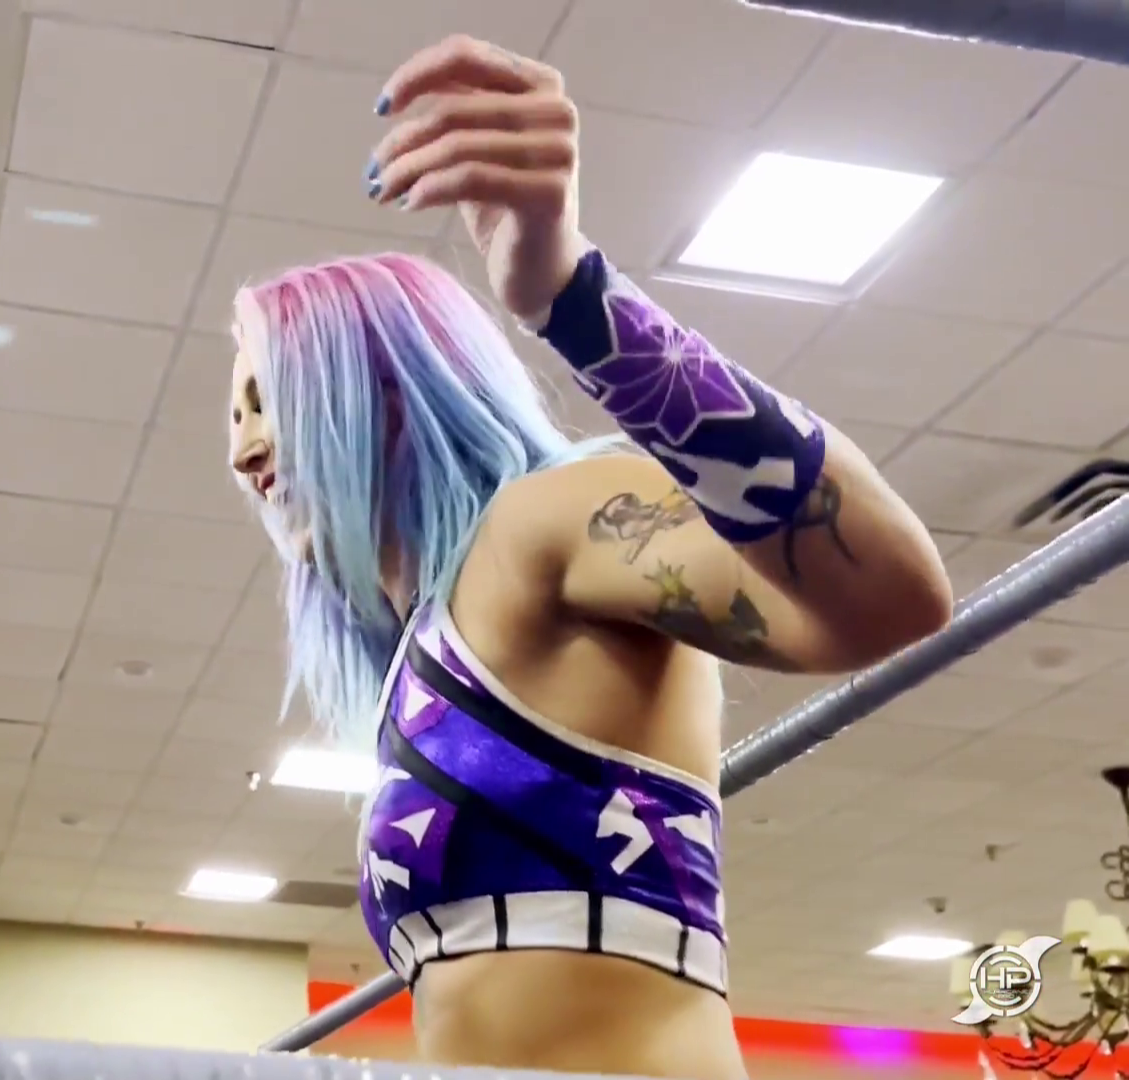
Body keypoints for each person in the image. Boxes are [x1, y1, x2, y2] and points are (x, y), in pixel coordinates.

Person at [225, 35, 954, 1080]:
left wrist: (573, 298)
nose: (243, 449)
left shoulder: (543, 525)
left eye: (266, 401)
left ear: (376, 387)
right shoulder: (422, 648)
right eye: (234, 415)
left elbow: (891, 595)